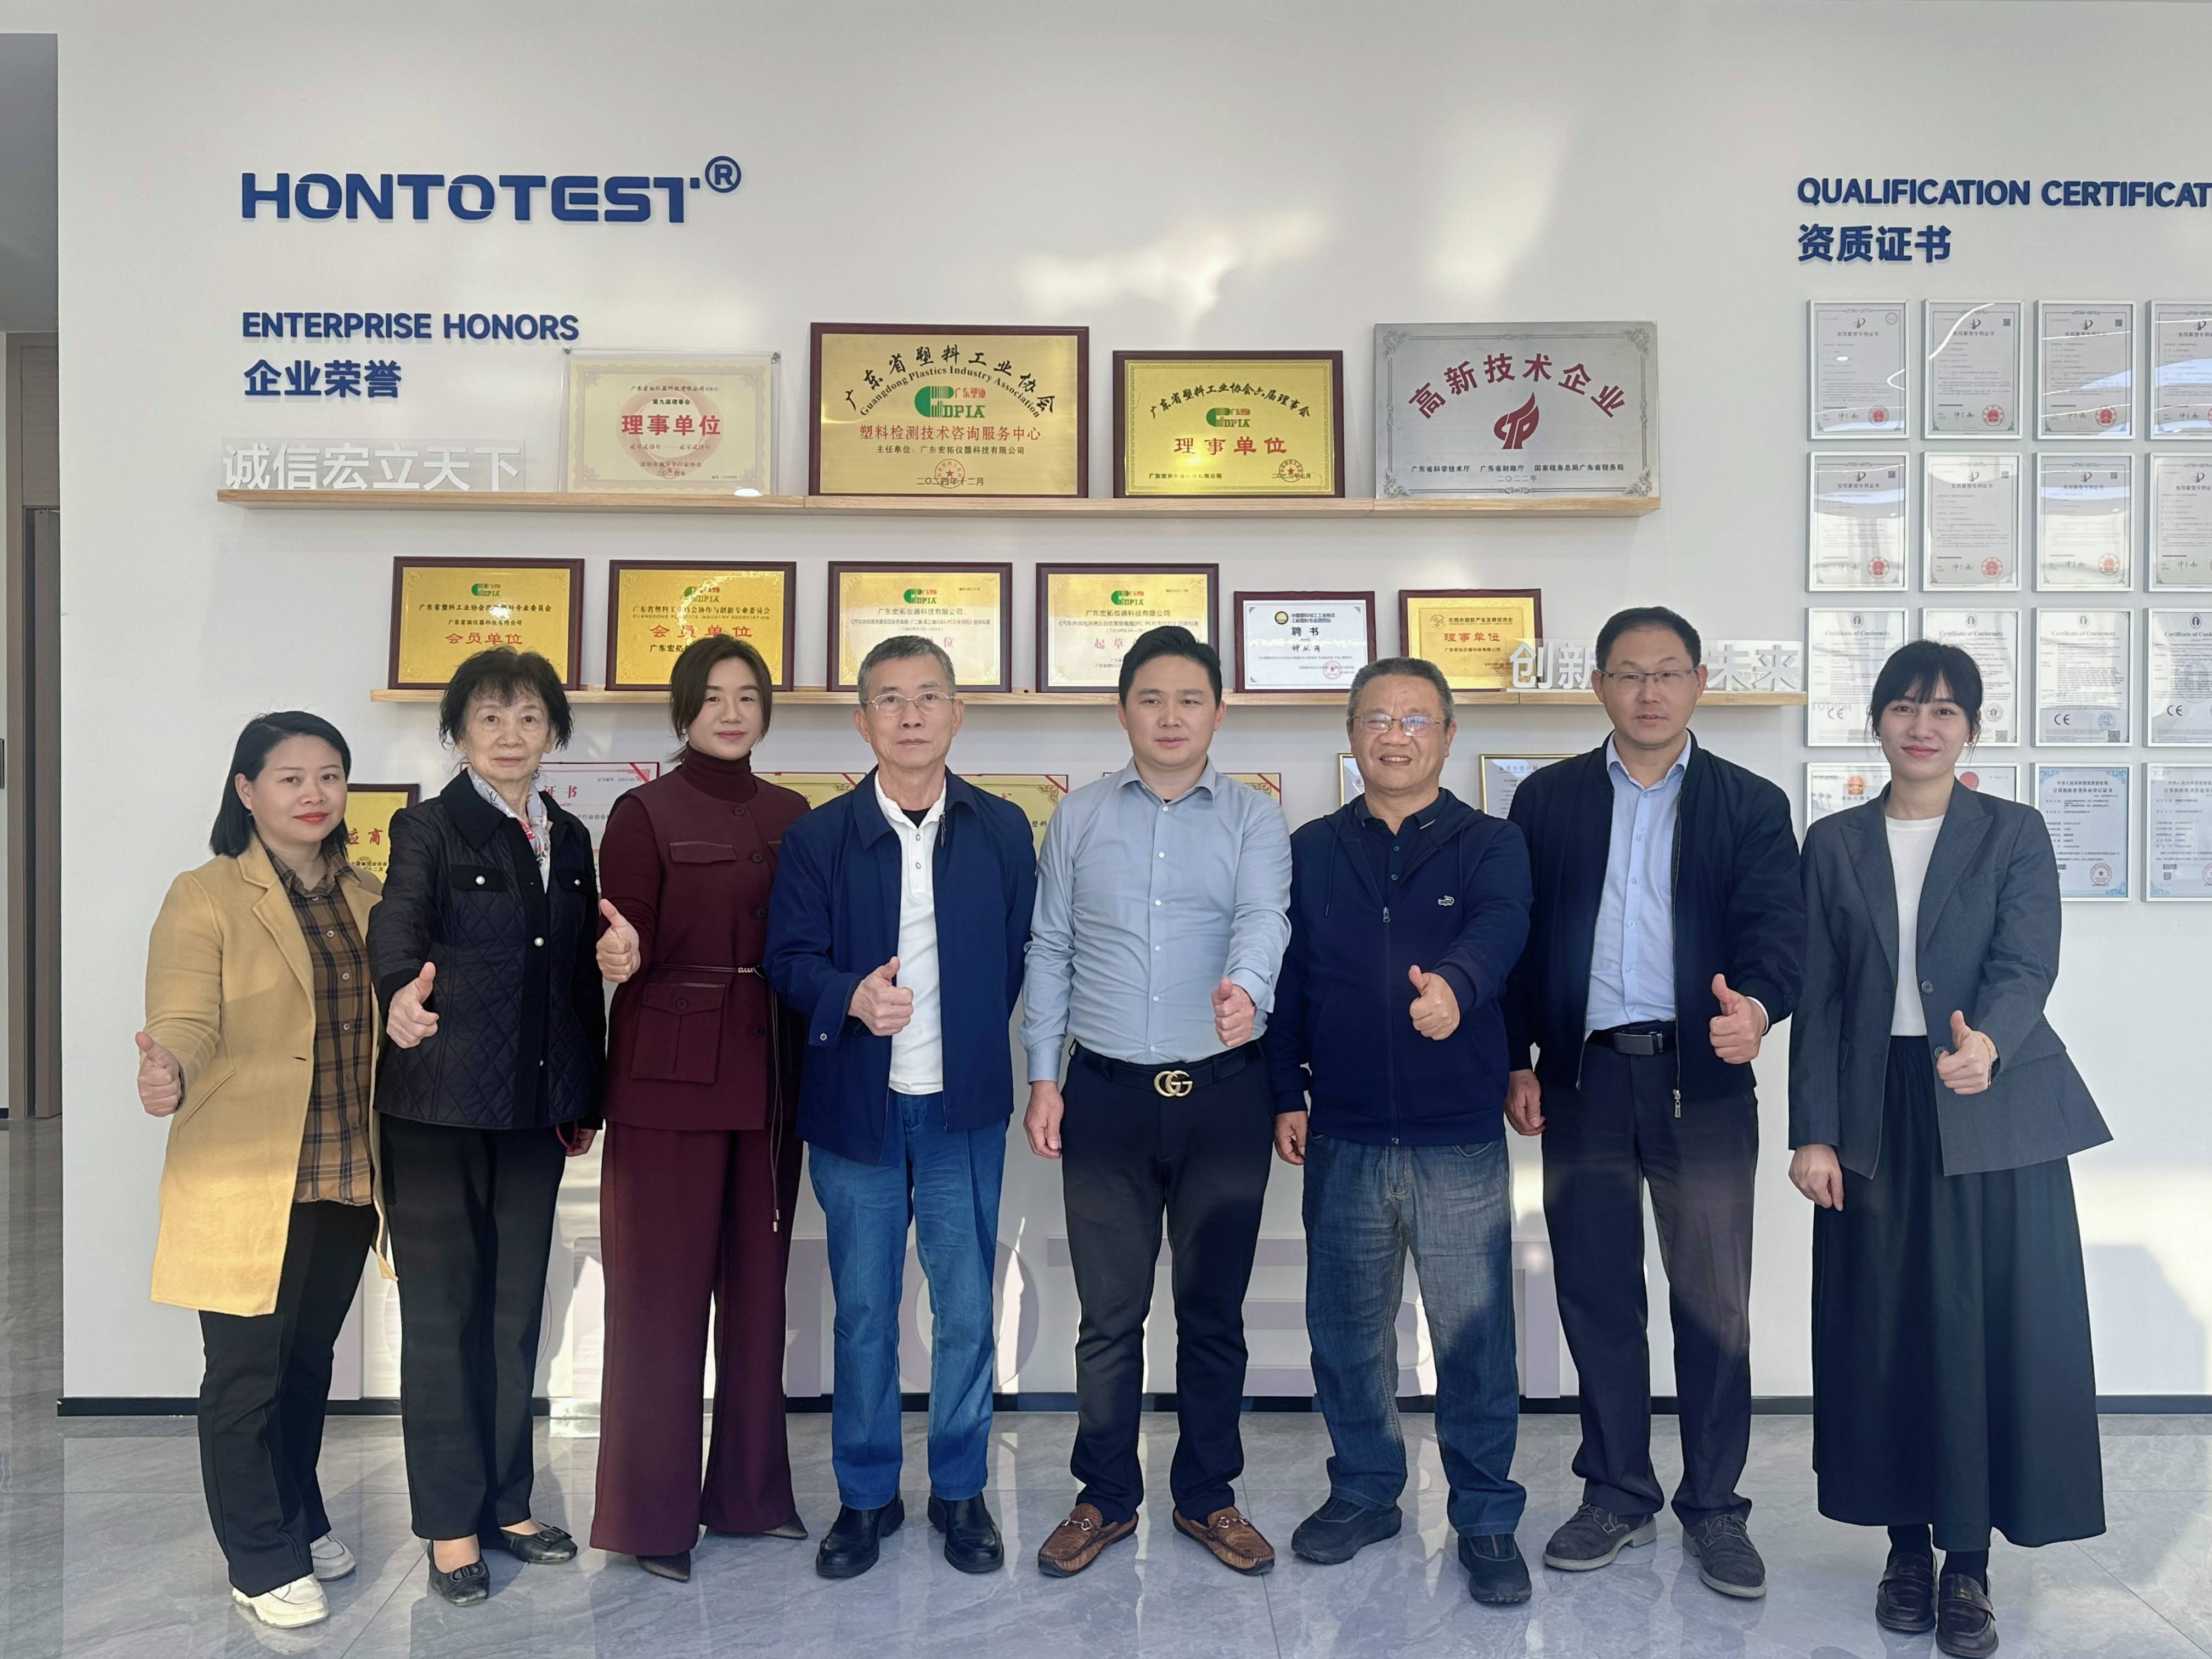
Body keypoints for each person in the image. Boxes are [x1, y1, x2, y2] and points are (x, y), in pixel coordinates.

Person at [1790, 640, 2108, 1659]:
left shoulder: (2013, 831)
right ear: (1877, 721)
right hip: (1873, 1108)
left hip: (1988, 1102)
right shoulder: (1834, 842)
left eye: (1943, 711)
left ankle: (1968, 1564)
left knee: (1981, 1330)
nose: (1922, 727)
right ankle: (1904, 1549)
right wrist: (1813, 1130)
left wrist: (1991, 1044)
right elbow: (1819, 995)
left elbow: (2027, 962)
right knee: (1883, 1328)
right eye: (1904, 707)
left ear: (1971, 728)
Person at [1504, 605, 1803, 1599]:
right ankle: (1617, 1494)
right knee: (1596, 1295)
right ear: (1597, 685)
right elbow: (1516, 942)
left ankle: (1714, 1507)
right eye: (1629, 674)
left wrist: (1757, 1008)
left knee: (1713, 1305)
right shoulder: (1547, 800)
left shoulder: (1748, 803)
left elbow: (1778, 934)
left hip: (1702, 1081)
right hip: (1584, 1078)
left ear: (1699, 683)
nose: (1649, 692)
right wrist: (1516, 1060)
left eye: (1668, 672)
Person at [764, 634, 1036, 1581]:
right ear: (863, 721)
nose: (911, 715)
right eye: (890, 699)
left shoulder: (1003, 828)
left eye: (928, 697)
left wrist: (965, 1038)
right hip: (858, 1112)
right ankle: (866, 1495)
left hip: (963, 1112)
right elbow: (787, 959)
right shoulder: (819, 836)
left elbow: (1015, 957)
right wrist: (850, 996)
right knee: (864, 1312)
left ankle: (960, 1491)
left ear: (957, 713)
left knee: (964, 1312)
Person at [1023, 624, 1293, 1579]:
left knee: (1212, 1314)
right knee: (1109, 1316)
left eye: (1189, 699)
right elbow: (1050, 946)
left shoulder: (1255, 817)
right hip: (1105, 1097)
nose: (1170, 716)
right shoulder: (1080, 815)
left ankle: (1208, 1496)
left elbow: (1265, 916)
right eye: (1151, 699)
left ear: (1218, 712)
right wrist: (1043, 1075)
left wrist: (1246, 989)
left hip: (1224, 1095)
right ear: (1124, 710)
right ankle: (1104, 1497)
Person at [1264, 658, 1536, 1604]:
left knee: (1473, 1339)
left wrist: (1455, 988)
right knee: (1346, 1332)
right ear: (1351, 734)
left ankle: (1486, 1514)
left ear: (1448, 735)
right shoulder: (1310, 847)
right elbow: (1288, 976)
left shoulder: (1491, 842)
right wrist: (1284, 1092)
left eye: (1416, 718)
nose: (1395, 735)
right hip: (1342, 1130)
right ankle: (1366, 1490)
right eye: (1377, 718)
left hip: (1456, 1134)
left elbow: (1501, 932)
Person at [366, 647, 605, 1606]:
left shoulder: (570, 836)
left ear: (553, 731)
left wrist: (584, 1096)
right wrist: (399, 994)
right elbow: (397, 926)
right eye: (491, 717)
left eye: (530, 717)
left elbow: (576, 977)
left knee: (513, 1317)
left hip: (533, 1114)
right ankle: (449, 1523)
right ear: (460, 732)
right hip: (435, 1110)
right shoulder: (427, 827)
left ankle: (509, 1502)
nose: (511, 735)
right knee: (443, 1318)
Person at [138, 712, 384, 1629]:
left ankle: (298, 1513)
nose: (313, 794)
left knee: (307, 1366)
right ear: (246, 791)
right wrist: (169, 1062)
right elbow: (185, 1015)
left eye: (330, 776)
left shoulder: (367, 896)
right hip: (248, 1175)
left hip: (347, 1171)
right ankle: (259, 1558)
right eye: (290, 778)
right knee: (245, 1375)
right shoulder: (204, 895)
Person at [590, 636, 811, 1582]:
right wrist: (619, 953)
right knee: (659, 1305)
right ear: (683, 710)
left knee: (760, 1299)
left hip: (771, 1083)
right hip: (667, 1085)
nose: (730, 712)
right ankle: (651, 1520)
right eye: (712, 696)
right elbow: (621, 926)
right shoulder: (642, 812)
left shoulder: (794, 813)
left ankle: (751, 1498)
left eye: (747, 696)